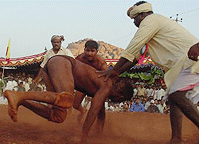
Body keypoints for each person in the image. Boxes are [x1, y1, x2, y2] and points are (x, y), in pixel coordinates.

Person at [97, 1, 199, 143]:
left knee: (176, 95)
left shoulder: (151, 21)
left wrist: (114, 70)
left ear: (143, 14)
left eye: (135, 19)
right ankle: (176, 139)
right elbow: (134, 58)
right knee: (174, 99)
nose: (134, 22)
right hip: (184, 64)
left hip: (191, 60)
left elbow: (132, 47)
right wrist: (117, 72)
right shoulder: (152, 27)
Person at [4, 55, 133, 142]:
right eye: (119, 100)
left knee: (58, 115)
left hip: (54, 66)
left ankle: (21, 100)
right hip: (63, 63)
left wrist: (99, 136)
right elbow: (93, 111)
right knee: (66, 98)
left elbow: (100, 114)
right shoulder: (107, 86)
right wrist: (84, 136)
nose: (115, 101)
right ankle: (18, 95)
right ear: (120, 95)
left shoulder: (105, 88)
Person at [74, 39, 108, 123]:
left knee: (100, 109)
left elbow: (106, 77)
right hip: (83, 84)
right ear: (84, 50)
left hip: (97, 87)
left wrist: (103, 93)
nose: (90, 53)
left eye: (92, 51)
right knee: (75, 104)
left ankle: (99, 130)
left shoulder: (100, 62)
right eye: (88, 50)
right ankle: (83, 111)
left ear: (97, 51)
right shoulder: (79, 59)